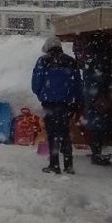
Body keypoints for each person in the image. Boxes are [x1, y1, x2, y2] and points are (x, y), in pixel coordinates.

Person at [31, 36, 83, 174]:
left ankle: (54, 164)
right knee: (65, 132)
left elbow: (36, 83)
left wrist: (43, 94)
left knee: (52, 133)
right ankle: (68, 165)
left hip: (49, 103)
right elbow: (78, 84)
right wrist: (76, 101)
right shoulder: (71, 61)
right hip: (66, 104)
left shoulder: (43, 61)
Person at [76, 32, 112, 165]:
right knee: (98, 122)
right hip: (97, 94)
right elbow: (102, 77)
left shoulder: (90, 59)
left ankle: (96, 152)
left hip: (91, 93)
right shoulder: (101, 60)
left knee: (94, 123)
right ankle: (97, 154)